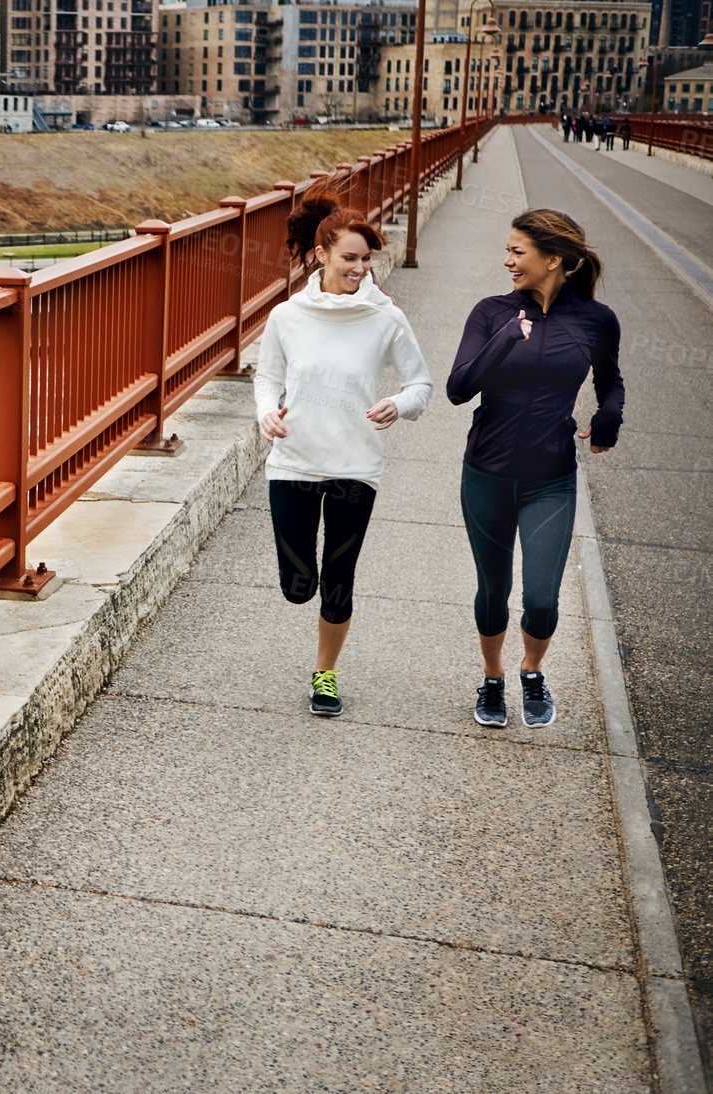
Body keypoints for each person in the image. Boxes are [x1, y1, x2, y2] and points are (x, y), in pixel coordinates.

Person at [256, 177, 434, 716]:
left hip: (356, 465)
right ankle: (304, 601)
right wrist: (266, 412)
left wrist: (397, 405)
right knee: (297, 586)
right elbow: (266, 379)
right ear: (321, 254)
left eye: (366, 260)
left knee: (338, 580)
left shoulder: (385, 318)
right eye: (350, 258)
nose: (360, 269)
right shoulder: (287, 316)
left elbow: (421, 387)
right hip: (294, 462)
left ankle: (325, 675)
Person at [447, 209, 624, 728]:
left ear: (554, 259)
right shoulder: (490, 312)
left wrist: (610, 413)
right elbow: (459, 389)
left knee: (542, 599)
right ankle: (493, 677)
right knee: (493, 590)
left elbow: (610, 380)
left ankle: (531, 670)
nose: (507, 261)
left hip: (550, 479)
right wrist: (504, 340)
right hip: (486, 475)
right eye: (507, 250)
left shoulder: (596, 320)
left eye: (517, 252)